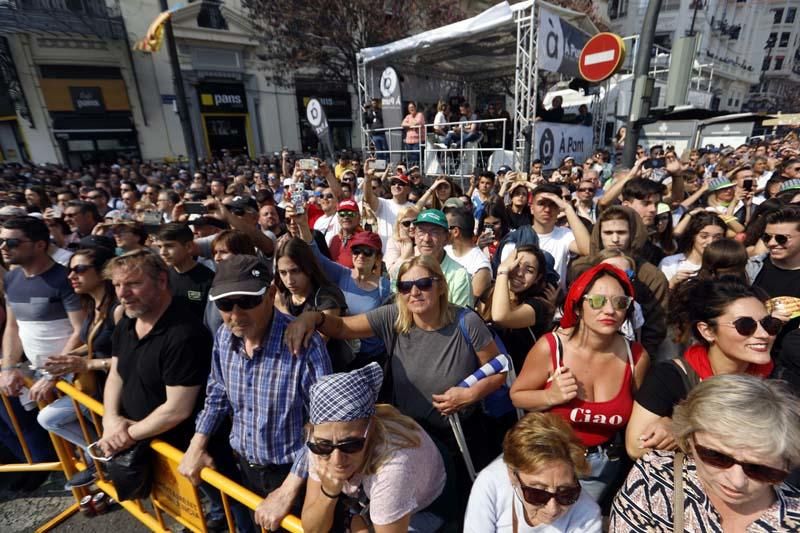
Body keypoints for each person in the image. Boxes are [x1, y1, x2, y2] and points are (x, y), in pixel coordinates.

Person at [285, 255, 505, 493]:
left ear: (440, 286)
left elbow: (498, 369)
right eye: (405, 287)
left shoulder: (467, 321)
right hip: (409, 436)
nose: (415, 292)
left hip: (458, 439)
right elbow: (341, 327)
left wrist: (469, 395)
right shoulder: (394, 317)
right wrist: (312, 317)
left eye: (423, 284)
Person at [178, 255, 332, 531]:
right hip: (246, 469)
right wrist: (196, 445)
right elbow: (217, 394)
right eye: (225, 304)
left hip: (294, 475)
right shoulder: (225, 337)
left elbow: (324, 427)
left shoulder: (305, 346)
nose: (236, 314)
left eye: (248, 301)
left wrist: (287, 490)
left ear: (271, 293)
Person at [510, 263, 649, 502]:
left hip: (604, 467)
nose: (610, 310)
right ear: (578, 304)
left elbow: (643, 414)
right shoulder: (551, 347)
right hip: (548, 460)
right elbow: (517, 395)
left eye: (620, 303)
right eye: (597, 301)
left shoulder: (636, 357)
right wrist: (549, 396)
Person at [610, 375, 800, 532]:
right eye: (718, 457)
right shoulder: (656, 477)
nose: (737, 481)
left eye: (759, 469)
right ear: (689, 438)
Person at [625, 277, 778, 459]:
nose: (763, 334)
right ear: (707, 331)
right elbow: (635, 446)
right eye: (745, 325)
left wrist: (682, 431)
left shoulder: (778, 379)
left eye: (769, 324)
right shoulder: (672, 376)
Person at [97, 249, 210, 472]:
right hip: (144, 445)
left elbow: (177, 408)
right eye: (117, 285)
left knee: (219, 507)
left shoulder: (184, 334)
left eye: (133, 284)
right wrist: (110, 420)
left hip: (184, 453)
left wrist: (124, 436)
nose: (123, 293)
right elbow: (116, 374)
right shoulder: (127, 323)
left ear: (161, 280)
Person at [301, 363, 448, 532]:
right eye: (324, 446)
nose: (337, 460)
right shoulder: (318, 440)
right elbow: (312, 529)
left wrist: (357, 525)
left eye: (351, 444)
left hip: (425, 508)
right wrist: (329, 491)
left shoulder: (393, 467)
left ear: (371, 429)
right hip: (368, 501)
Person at [0, 217, 84, 471]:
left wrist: (53, 374)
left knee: (84, 430)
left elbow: (81, 331)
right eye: (1, 240)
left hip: (75, 374)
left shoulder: (64, 279)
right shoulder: (12, 279)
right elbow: (14, 327)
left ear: (39, 245)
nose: (4, 246)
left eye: (12, 241)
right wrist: (9, 367)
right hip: (39, 375)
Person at [38, 246, 121, 489]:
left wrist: (86, 363)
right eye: (69, 270)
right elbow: (94, 343)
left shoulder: (118, 308)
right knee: (50, 417)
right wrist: (65, 359)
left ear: (103, 272)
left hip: (116, 386)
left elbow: (128, 357)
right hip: (97, 385)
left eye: (80, 270)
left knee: (51, 417)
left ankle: (102, 460)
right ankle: (101, 459)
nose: (71, 276)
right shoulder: (93, 305)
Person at [465, 413, 602, 532]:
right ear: (512, 475)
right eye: (537, 494)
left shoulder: (588, 515)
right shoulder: (490, 483)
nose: (552, 509)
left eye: (566, 493)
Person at [293, 209, 390, 369]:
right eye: (356, 250)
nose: (361, 256)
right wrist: (303, 225)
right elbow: (315, 254)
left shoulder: (384, 287)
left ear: (377, 258)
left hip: (373, 360)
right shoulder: (342, 274)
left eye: (367, 252)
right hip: (344, 356)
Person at [483, 245, 555, 373]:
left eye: (529, 270)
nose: (520, 273)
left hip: (515, 381)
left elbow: (501, 317)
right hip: (487, 374)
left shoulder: (538, 305)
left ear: (537, 278)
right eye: (516, 265)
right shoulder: (490, 292)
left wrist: (503, 271)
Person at [394, 209, 473, 307]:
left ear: (447, 238)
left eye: (434, 233)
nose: (426, 239)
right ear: (414, 235)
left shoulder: (459, 275)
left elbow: (462, 319)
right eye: (421, 232)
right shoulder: (405, 269)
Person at [156, 223, 215, 322]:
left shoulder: (209, 279)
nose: (162, 252)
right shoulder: (160, 276)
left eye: (169, 246)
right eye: (159, 247)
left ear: (188, 247)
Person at [658, 212, 726, 289]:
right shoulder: (671, 263)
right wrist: (672, 283)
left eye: (718, 237)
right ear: (693, 236)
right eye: (704, 236)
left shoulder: (725, 263)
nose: (710, 242)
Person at [363, 161, 413, 256]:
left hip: (406, 258)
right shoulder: (383, 203)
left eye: (401, 184)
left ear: (408, 190)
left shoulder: (413, 209)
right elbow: (368, 198)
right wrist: (367, 178)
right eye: (393, 183)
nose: (396, 186)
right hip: (385, 257)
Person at [446, 209, 492, 303]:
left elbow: (467, 305)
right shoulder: (444, 250)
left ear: (455, 232)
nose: (441, 231)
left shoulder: (481, 267)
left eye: (445, 227)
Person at [383, 206, 418, 274]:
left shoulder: (424, 240)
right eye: (406, 223)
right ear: (399, 225)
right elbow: (392, 273)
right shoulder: (393, 241)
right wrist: (408, 247)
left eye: (415, 222)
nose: (412, 226)